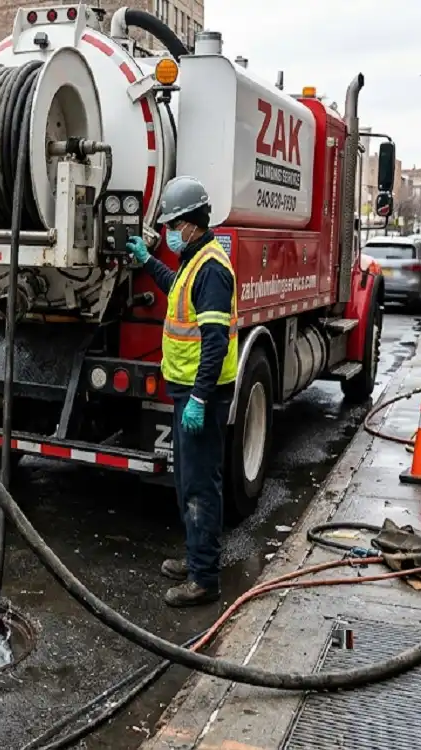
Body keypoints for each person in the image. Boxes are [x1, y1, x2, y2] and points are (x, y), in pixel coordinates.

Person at [125, 176, 236, 608]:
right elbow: (176, 289)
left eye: (173, 225)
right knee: (187, 481)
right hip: (186, 391)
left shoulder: (211, 268)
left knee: (200, 485)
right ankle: (196, 557)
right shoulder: (195, 259)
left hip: (200, 395)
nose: (169, 233)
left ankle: (205, 579)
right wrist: (146, 260)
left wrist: (201, 399)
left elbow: (215, 342)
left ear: (191, 223)